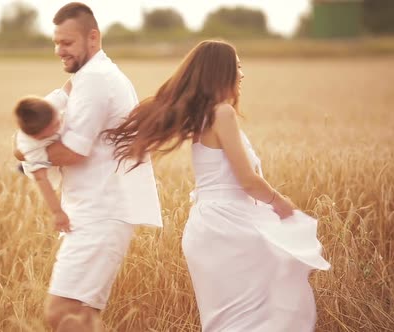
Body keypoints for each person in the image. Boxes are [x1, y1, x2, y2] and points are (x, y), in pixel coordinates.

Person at [104, 40, 330, 332]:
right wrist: (281, 202)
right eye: (237, 66)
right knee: (265, 306)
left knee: (234, 319)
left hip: (212, 226)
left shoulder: (203, 116)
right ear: (221, 71)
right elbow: (247, 180)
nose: (242, 74)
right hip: (227, 227)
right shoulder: (222, 114)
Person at [14, 3, 162, 331]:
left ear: (92, 38)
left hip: (100, 211)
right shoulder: (89, 77)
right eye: (56, 42)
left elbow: (74, 152)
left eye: (66, 43)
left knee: (61, 311)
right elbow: (60, 98)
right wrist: (28, 136)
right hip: (95, 210)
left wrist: (27, 152)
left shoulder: (97, 79)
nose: (58, 50)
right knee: (81, 314)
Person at [13, 84, 70, 232]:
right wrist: (57, 212)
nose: (58, 127)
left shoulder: (51, 104)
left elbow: (70, 85)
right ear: (37, 136)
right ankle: (21, 167)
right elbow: (41, 179)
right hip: (47, 167)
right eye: (53, 128)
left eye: (57, 121)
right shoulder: (31, 145)